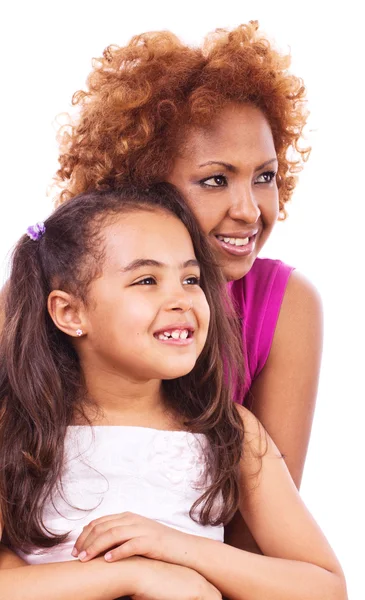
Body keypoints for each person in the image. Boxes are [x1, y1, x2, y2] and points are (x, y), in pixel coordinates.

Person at [52, 21, 324, 553]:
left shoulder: (286, 306)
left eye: (264, 177)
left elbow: (261, 540)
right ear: (144, 185)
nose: (248, 210)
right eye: (216, 180)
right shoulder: (63, 284)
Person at [0, 184, 346, 599]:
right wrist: (136, 575)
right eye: (147, 280)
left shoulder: (231, 431)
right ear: (69, 312)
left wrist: (174, 547)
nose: (181, 299)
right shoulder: (18, 425)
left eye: (190, 278)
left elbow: (324, 588)